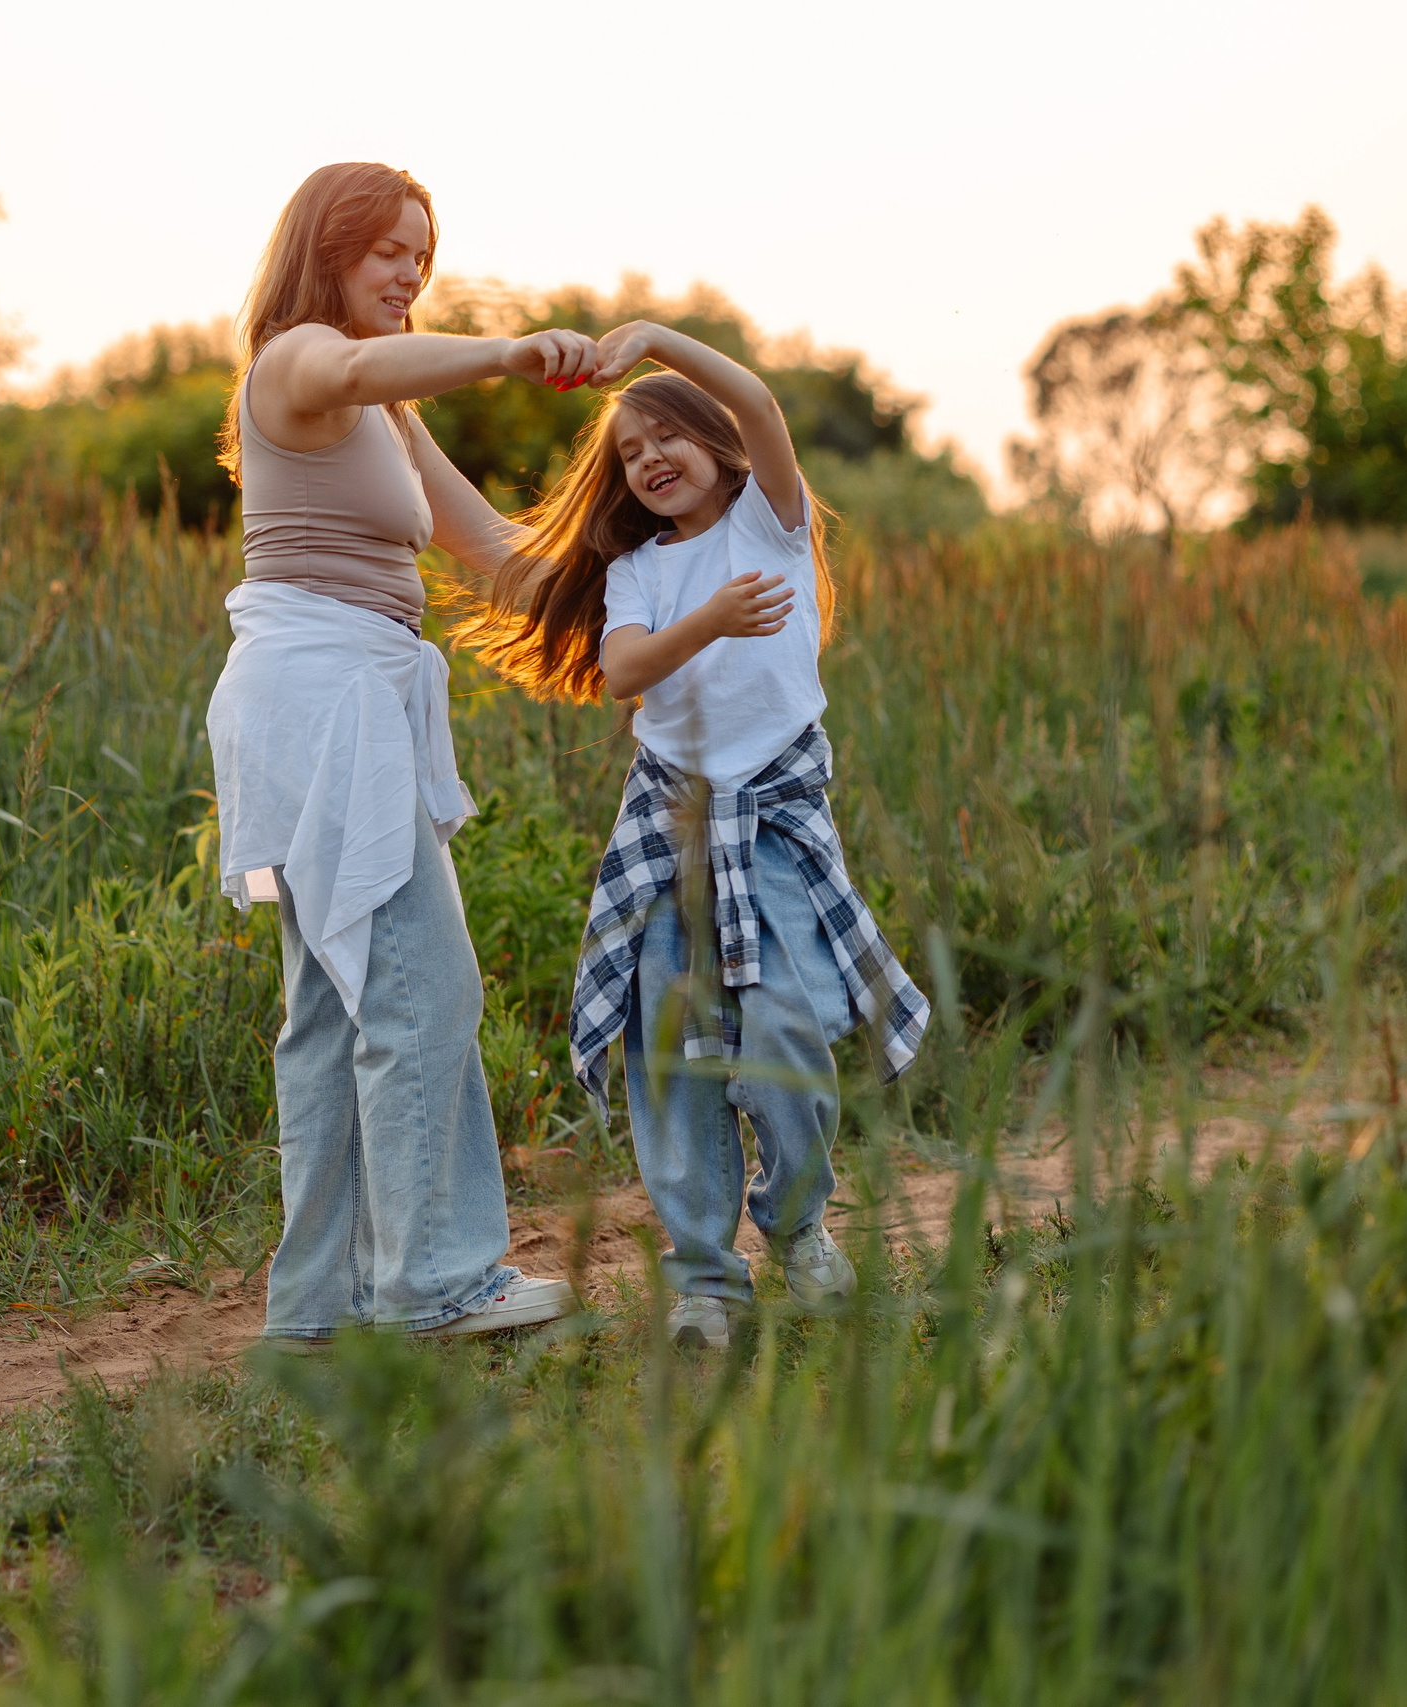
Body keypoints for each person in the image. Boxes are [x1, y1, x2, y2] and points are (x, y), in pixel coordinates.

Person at [452, 322, 931, 1352]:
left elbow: (760, 401)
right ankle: (706, 1281)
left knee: (784, 1043)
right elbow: (626, 674)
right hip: (669, 827)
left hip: (775, 827)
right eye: (628, 452)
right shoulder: (636, 569)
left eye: (667, 436)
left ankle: (796, 1226)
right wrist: (709, 621)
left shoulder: (770, 522)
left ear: (719, 449)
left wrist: (658, 343)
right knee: (668, 1060)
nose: (648, 460)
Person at [205, 163, 588, 1344]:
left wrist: (659, 584)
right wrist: (513, 352)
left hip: (338, 700)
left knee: (335, 1009)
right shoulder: (298, 363)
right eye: (389, 251)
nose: (411, 273)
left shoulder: (386, 414)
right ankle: (433, 1283)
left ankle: (315, 1313)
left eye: (422, 253)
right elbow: (363, 363)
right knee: (420, 986)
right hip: (323, 700)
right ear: (328, 252)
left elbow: (495, 551)